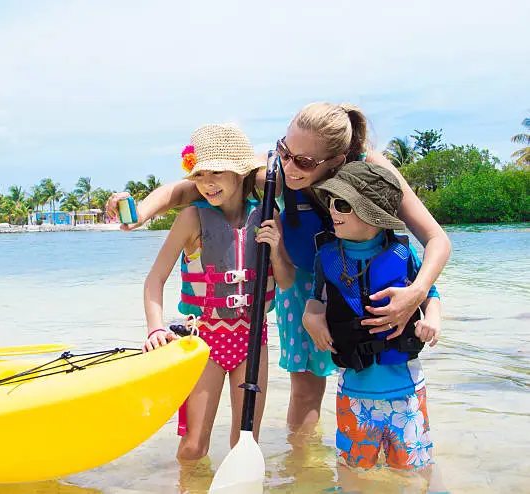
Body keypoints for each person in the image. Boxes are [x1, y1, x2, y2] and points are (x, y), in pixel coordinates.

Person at [107, 102, 451, 431]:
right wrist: (139, 212)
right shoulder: (276, 171)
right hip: (300, 284)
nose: (288, 167)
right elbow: (187, 190)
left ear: (337, 160)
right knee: (305, 390)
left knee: (377, 376)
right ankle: (300, 470)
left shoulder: (369, 173)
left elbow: (437, 239)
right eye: (283, 151)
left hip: (364, 282)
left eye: (302, 161)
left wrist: (417, 293)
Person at [142, 123, 295, 461]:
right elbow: (155, 279)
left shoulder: (268, 214)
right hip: (204, 341)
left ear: (240, 173)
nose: (207, 183)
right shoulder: (191, 218)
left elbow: (285, 282)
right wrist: (155, 327)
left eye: (217, 173)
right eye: (199, 175)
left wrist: (277, 248)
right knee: (194, 446)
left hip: (253, 339)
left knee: (246, 444)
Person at [304, 160, 441, 476]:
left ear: (372, 214)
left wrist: (432, 319)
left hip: (405, 394)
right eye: (330, 202)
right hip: (354, 395)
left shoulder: (402, 253)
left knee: (414, 473)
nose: (332, 210)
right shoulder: (326, 257)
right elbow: (316, 301)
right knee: (353, 473)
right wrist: (310, 319)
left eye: (341, 204)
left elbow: (430, 293)